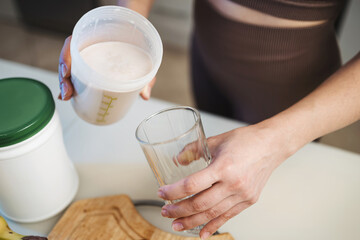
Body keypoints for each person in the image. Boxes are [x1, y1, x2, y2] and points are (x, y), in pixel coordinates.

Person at [58, 0, 360, 239]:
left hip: (292, 87)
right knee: (210, 167)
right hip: (206, 55)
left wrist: (275, 142)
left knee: (274, 206)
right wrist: (124, 27)